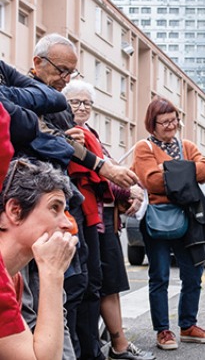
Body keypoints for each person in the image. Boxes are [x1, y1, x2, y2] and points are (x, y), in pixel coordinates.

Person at [27, 33, 138, 360]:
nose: (65, 79)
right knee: (62, 292)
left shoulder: (54, 101)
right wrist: (99, 164)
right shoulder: (29, 96)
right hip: (48, 211)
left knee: (84, 287)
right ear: (37, 63)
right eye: (61, 70)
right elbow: (44, 138)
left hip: (73, 210)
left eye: (70, 73)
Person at [62, 81, 154, 360]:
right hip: (82, 216)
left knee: (102, 283)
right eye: (76, 102)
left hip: (101, 217)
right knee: (85, 286)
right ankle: (94, 350)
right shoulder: (71, 133)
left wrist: (129, 191)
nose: (81, 107)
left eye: (87, 103)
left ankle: (112, 344)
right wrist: (128, 188)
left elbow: (110, 168)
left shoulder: (91, 133)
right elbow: (101, 170)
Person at [130, 97, 205, 351]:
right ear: (152, 124)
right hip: (156, 218)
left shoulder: (186, 145)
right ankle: (163, 330)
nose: (171, 126)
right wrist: (185, 174)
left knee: (193, 273)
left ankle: (188, 325)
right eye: (164, 122)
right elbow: (151, 180)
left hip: (188, 219)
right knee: (160, 276)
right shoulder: (143, 148)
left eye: (174, 120)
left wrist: (168, 170)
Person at [0, 158, 78, 359]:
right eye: (55, 208)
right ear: (15, 211)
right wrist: (52, 274)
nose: (67, 224)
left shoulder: (14, 277)